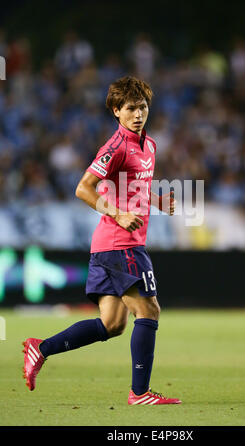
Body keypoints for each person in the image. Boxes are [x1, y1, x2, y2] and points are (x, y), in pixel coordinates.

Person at [22, 76, 181, 406]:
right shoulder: (116, 147)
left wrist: (157, 201)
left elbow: (134, 185)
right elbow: (83, 188)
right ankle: (140, 393)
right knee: (149, 310)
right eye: (131, 109)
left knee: (112, 324)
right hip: (120, 242)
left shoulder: (148, 145)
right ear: (116, 111)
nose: (138, 114)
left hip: (112, 246)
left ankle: (42, 348)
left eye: (143, 107)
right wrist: (120, 215)